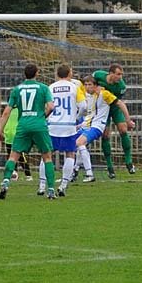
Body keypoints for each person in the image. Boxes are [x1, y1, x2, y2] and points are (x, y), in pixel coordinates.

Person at [0, 63, 56, 200]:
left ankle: (5, 182)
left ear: (24, 74)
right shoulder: (43, 88)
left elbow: (6, 112)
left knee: (13, 156)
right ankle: (51, 190)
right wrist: (42, 116)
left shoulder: (17, 90)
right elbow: (51, 107)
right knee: (47, 157)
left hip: (23, 125)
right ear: (37, 73)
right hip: (39, 125)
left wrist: (0, 131)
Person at [75, 75, 135, 183]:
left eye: (90, 85)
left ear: (96, 86)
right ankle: (75, 170)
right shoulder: (90, 93)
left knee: (80, 142)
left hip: (97, 125)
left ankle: (89, 173)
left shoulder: (105, 93)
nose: (87, 87)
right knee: (75, 143)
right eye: (86, 85)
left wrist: (128, 119)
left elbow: (120, 103)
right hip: (87, 124)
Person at [38, 63, 86, 197]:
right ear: (70, 74)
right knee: (70, 154)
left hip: (52, 125)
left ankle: (42, 186)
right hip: (69, 126)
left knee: (46, 155)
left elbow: (46, 106)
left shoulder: (50, 87)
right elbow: (83, 107)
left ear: (57, 75)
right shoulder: (75, 87)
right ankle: (63, 186)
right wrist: (76, 118)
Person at [93, 63, 136, 178]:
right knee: (105, 135)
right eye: (118, 74)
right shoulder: (98, 75)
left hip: (114, 107)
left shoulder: (121, 86)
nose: (120, 77)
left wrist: (128, 120)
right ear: (110, 73)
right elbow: (90, 82)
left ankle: (129, 161)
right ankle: (110, 167)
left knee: (123, 130)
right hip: (103, 109)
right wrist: (96, 87)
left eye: (121, 74)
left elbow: (118, 102)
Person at [3, 106, 33, 181]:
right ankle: (14, 173)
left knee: (20, 156)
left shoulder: (21, 109)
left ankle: (28, 175)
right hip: (8, 136)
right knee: (11, 156)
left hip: (17, 136)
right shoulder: (8, 109)